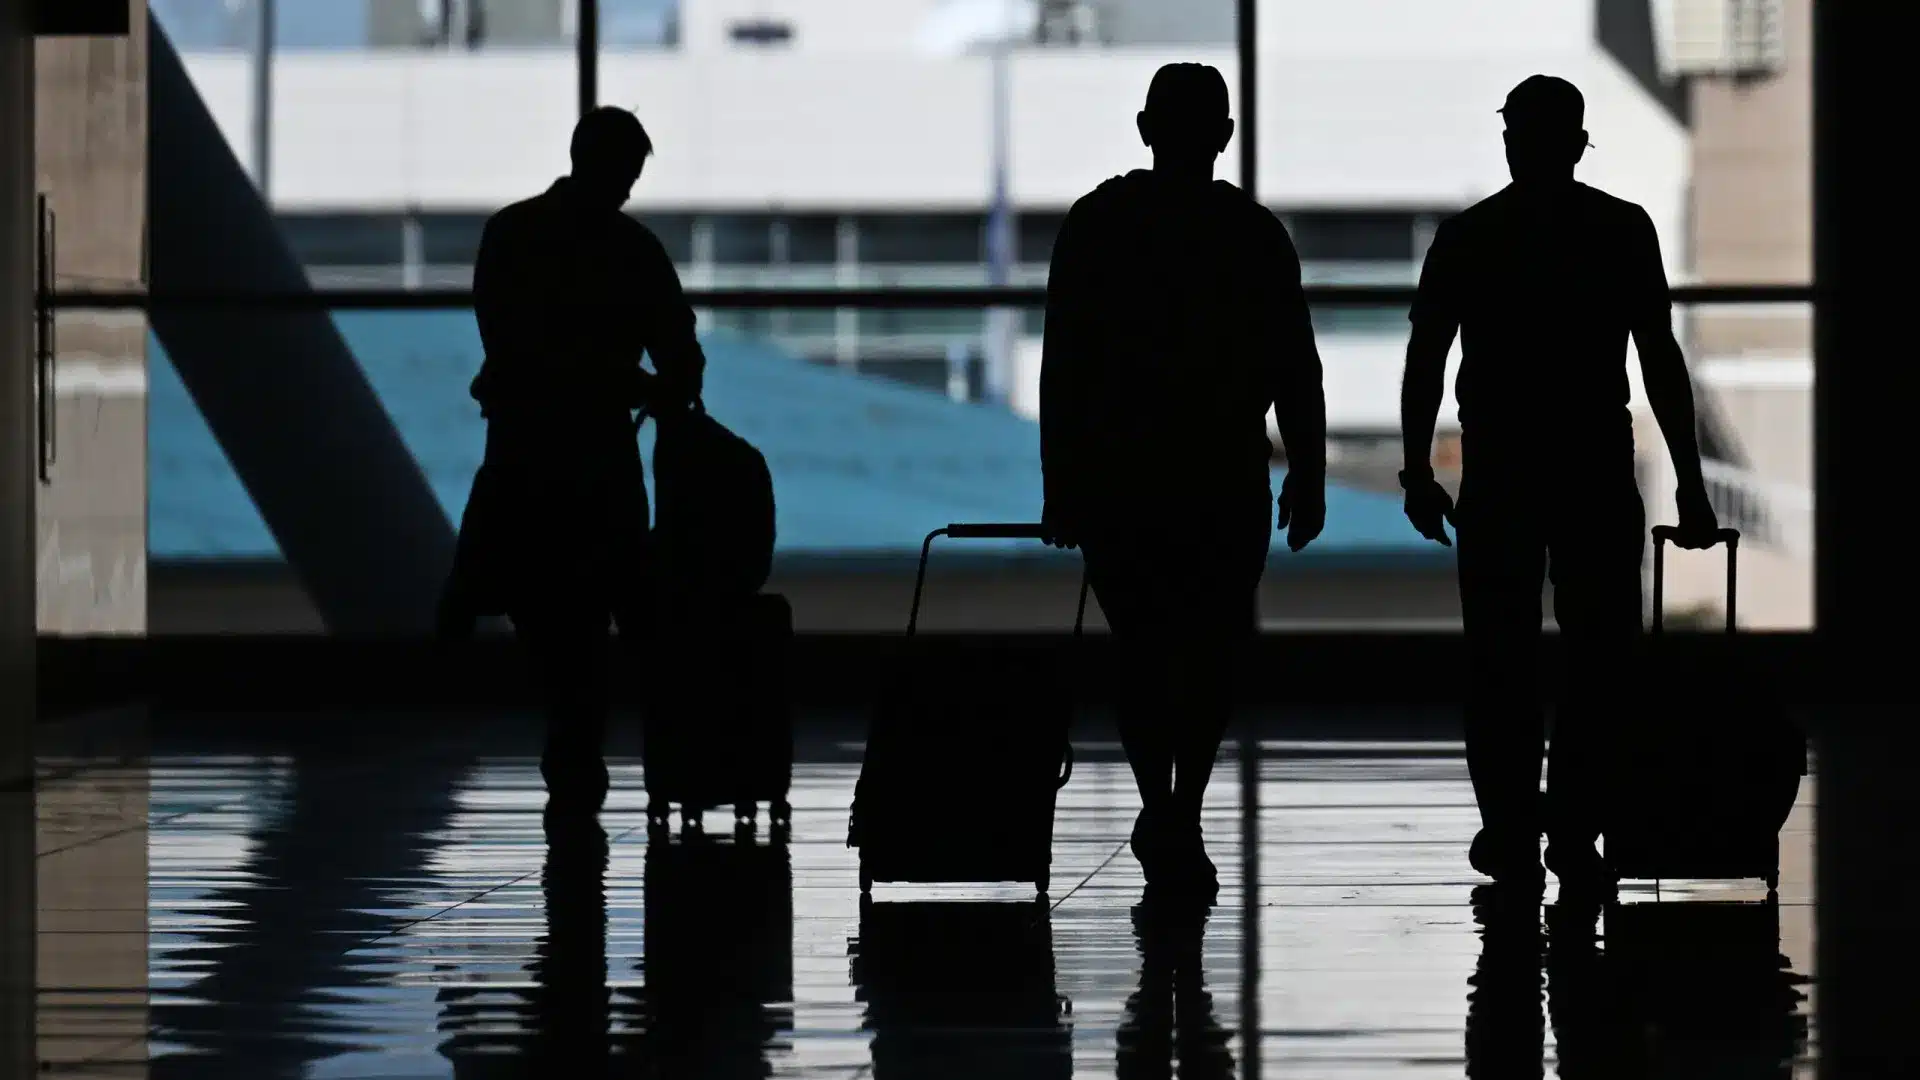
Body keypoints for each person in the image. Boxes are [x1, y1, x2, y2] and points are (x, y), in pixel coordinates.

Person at [1398, 75, 1720, 895]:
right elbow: (1658, 360)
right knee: (1599, 657)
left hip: (1502, 464)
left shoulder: (1470, 237)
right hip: (1592, 462)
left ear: (1511, 141)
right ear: (1578, 144)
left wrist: (1416, 471)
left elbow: (1427, 360)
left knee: (1498, 659)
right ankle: (1576, 830)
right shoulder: (1619, 231)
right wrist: (1688, 480)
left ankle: (1509, 828)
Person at [1039, 63, 1328, 904]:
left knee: (1144, 651)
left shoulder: (1097, 226)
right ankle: (1181, 810)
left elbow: (1066, 367)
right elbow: (1295, 368)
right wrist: (1305, 475)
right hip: (1220, 472)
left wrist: (1063, 481)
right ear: (1225, 136)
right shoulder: (1251, 233)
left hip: (1121, 475)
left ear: (1144, 127)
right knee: (1209, 651)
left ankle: (1160, 804)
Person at [445, 106, 704, 809]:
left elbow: (512, 348)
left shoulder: (511, 235)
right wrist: (658, 391)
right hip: (600, 464)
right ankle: (626, 767)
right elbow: (677, 353)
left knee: (554, 626)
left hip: (525, 460)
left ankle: (571, 764)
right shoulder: (632, 250)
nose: (628, 189)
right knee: (617, 616)